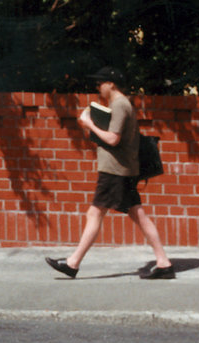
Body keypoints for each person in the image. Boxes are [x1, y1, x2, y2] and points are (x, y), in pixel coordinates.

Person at [46, 66, 175, 280]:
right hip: (121, 169)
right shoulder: (120, 104)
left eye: (100, 83)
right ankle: (163, 262)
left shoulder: (120, 105)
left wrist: (89, 124)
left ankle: (73, 263)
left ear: (111, 84)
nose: (98, 87)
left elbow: (113, 139)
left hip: (115, 170)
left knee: (95, 213)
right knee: (137, 214)